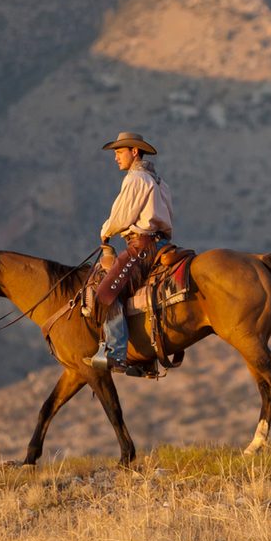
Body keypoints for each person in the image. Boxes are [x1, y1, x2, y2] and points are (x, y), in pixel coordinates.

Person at [87, 131, 175, 369]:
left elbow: (122, 216)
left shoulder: (136, 179)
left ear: (134, 151)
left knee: (106, 293)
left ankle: (115, 352)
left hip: (142, 246)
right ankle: (145, 359)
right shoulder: (158, 180)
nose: (116, 158)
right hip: (162, 243)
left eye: (119, 152)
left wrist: (106, 230)